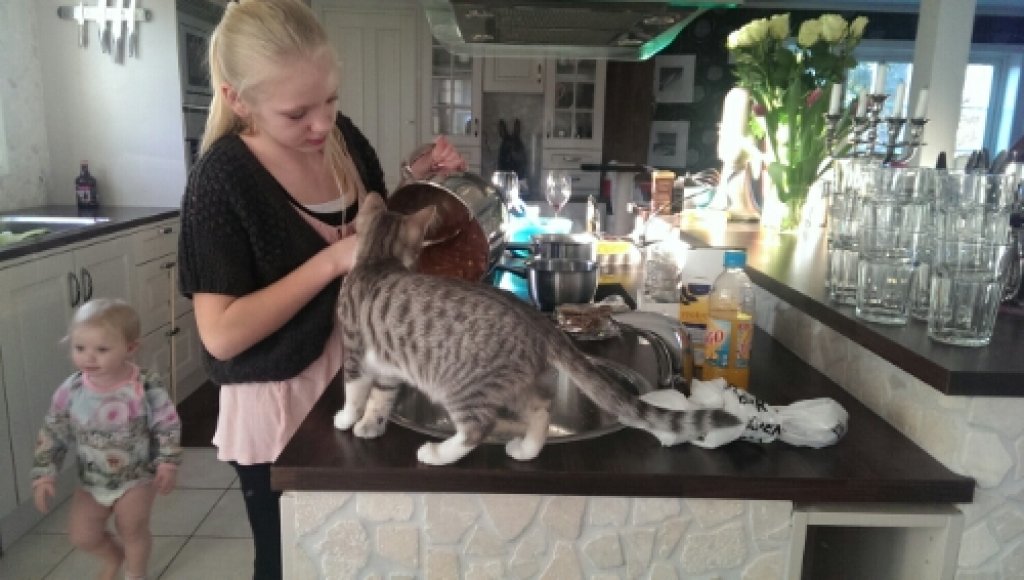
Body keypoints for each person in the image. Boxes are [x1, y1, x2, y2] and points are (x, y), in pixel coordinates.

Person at [177, 1, 465, 578]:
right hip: (280, 401)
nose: (321, 123)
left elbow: (372, 226)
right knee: (289, 561)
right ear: (238, 100)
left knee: (364, 553)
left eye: (330, 100)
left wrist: (417, 179)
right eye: (297, 113)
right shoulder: (221, 181)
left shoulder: (341, 139)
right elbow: (221, 335)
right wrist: (329, 262)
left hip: (358, 377)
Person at [32, 298, 182, 580]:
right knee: (82, 535)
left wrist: (167, 462)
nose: (89, 358)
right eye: (80, 348)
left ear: (130, 348)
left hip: (137, 477)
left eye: (102, 350)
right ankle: (114, 556)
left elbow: (167, 424)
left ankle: (135, 573)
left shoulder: (144, 384)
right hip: (91, 480)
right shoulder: (72, 390)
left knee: (132, 529)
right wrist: (44, 473)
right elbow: (53, 430)